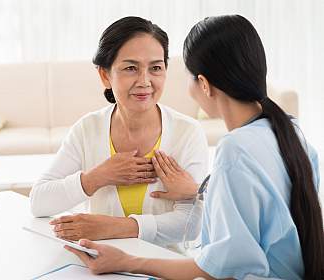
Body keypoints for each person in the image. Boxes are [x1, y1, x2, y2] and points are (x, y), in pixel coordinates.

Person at [65, 15, 324, 279]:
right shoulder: (290, 132)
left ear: (203, 84)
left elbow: (220, 268)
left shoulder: (235, 149)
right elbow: (265, 211)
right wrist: (200, 190)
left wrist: (127, 261)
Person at [29, 16, 208, 248]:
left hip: (165, 267)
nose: (145, 81)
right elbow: (39, 201)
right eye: (131, 68)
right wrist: (97, 177)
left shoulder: (187, 133)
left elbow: (191, 224)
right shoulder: (88, 129)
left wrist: (113, 228)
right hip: (98, 266)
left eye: (155, 68)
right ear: (105, 75)